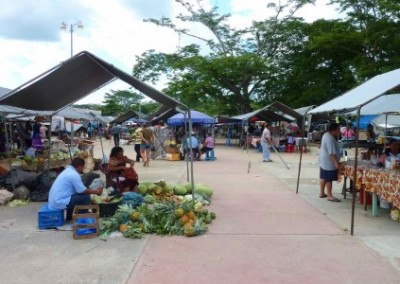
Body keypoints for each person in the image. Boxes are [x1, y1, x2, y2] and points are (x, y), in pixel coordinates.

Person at [319, 122, 341, 202]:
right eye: (338, 129)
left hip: (324, 160)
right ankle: (329, 195)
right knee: (329, 178)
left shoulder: (326, 135)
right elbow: (331, 153)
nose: (339, 131)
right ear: (334, 130)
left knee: (324, 177)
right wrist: (336, 163)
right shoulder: (330, 138)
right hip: (328, 161)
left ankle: (322, 193)